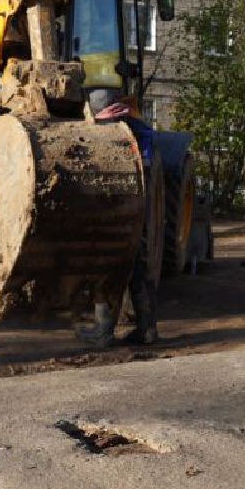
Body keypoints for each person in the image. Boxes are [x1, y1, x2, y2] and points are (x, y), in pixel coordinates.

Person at [79, 88, 158, 348]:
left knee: (106, 265)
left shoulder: (113, 132)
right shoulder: (139, 129)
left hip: (117, 211)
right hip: (137, 212)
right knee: (137, 266)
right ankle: (148, 329)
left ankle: (103, 332)